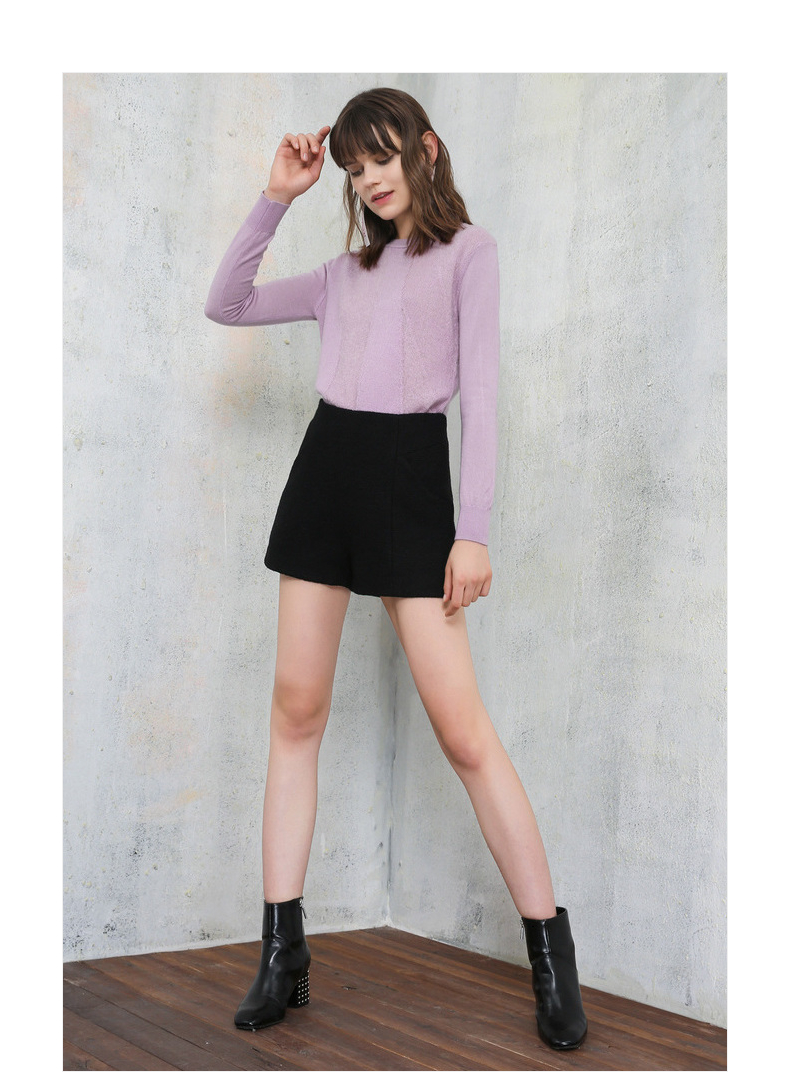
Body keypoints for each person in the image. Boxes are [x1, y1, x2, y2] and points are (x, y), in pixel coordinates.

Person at [205, 86, 587, 1052]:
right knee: (296, 712)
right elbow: (227, 303)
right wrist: (276, 196)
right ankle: (283, 953)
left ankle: (551, 956)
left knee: (464, 733)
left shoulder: (470, 254)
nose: (369, 178)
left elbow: (483, 400)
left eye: (381, 156)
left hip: (413, 485)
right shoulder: (342, 275)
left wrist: (474, 530)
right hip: (326, 475)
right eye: (353, 166)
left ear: (426, 148)